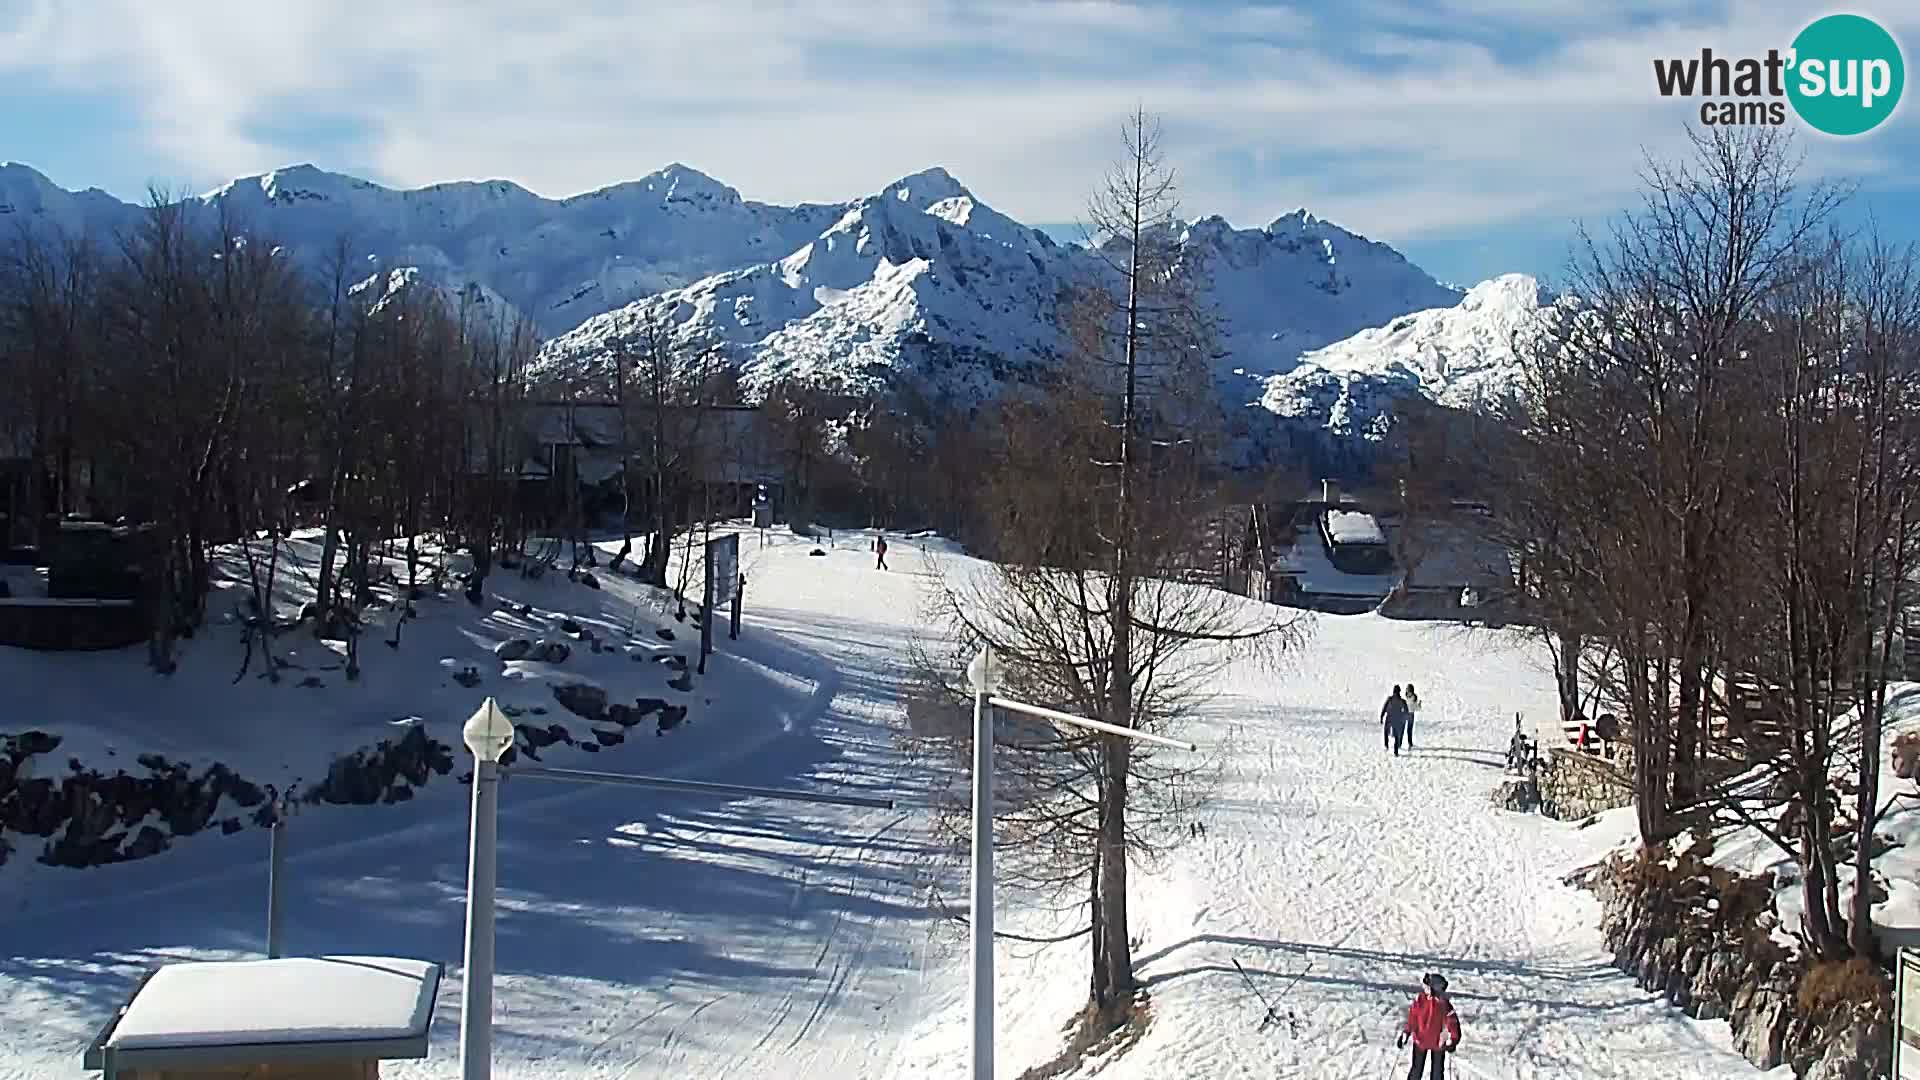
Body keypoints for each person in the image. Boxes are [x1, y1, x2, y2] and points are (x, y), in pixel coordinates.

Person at [1398, 972, 1461, 1080]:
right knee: (1417, 1070)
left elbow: (1452, 1022)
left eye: (1427, 987)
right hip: (1422, 1042)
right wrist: (1406, 1033)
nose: (1424, 989)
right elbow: (1413, 1018)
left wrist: (1454, 1040)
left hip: (1436, 1043)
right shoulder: (1421, 1000)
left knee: (1436, 1073)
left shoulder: (1444, 1005)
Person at [1382, 686, 1410, 756]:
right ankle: (1396, 751)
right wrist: (1404, 718)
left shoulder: (1390, 699)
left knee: (1386, 731)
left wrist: (1382, 716)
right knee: (1397, 735)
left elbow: (1384, 707)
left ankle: (1386, 745)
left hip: (1389, 718)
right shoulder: (1402, 701)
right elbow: (1406, 711)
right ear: (1399, 691)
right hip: (1397, 719)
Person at [1403, 683, 1422, 747]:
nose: (1408, 692)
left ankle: (1409, 742)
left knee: (1408, 729)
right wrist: (1419, 705)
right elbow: (1417, 708)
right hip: (1408, 714)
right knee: (1408, 729)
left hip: (1408, 714)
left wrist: (1418, 705)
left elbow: (1416, 708)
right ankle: (1409, 742)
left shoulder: (1408, 697)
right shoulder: (1413, 698)